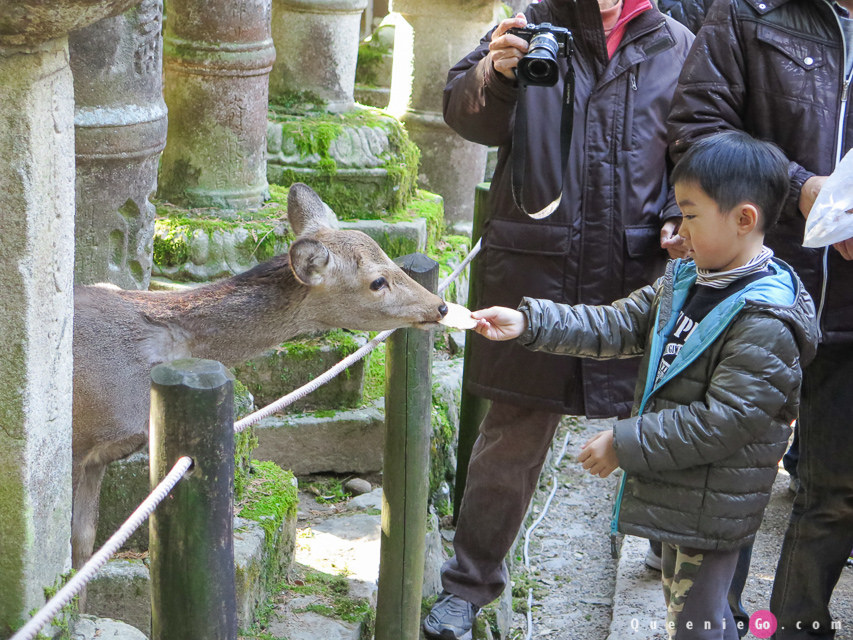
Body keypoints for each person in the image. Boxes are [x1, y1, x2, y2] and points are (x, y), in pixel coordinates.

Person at [469, 131, 818, 640]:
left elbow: (724, 421)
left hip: (714, 499)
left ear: (744, 219)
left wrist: (624, 444)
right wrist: (530, 322)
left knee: (698, 621)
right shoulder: (686, 279)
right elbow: (615, 325)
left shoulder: (764, 319)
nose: (679, 229)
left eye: (692, 215)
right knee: (691, 616)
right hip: (678, 487)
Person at [422, 0, 694, 637]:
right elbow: (465, 116)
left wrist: (682, 214)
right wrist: (497, 74)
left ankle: (662, 537)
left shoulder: (673, 42)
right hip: (537, 265)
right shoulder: (528, 22)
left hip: (637, 265)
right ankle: (468, 584)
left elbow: (697, 142)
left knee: (664, 412)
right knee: (513, 430)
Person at [667, 0, 853, 635]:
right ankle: (715, 624)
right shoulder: (749, 10)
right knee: (723, 480)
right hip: (752, 291)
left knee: (835, 490)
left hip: (851, 306)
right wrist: (800, 187)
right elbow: (697, 128)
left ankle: (798, 624)